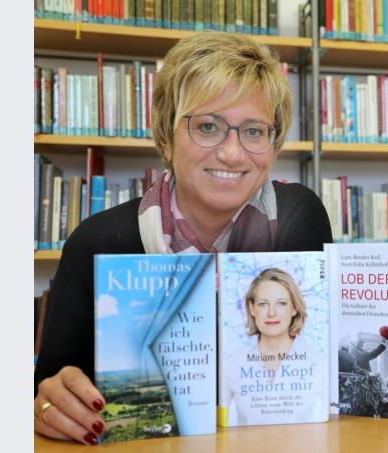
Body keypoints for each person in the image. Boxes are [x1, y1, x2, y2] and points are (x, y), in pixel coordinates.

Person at [34, 32, 332, 444]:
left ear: (273, 144)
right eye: (208, 126)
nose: (232, 153)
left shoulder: (298, 220)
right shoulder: (97, 241)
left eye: (253, 131)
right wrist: (52, 405)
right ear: (165, 137)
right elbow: (49, 388)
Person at [223, 268, 327, 425]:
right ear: (252, 308)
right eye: (263, 304)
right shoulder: (231, 364)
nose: (272, 313)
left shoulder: (319, 362)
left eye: (282, 303)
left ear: (294, 308)